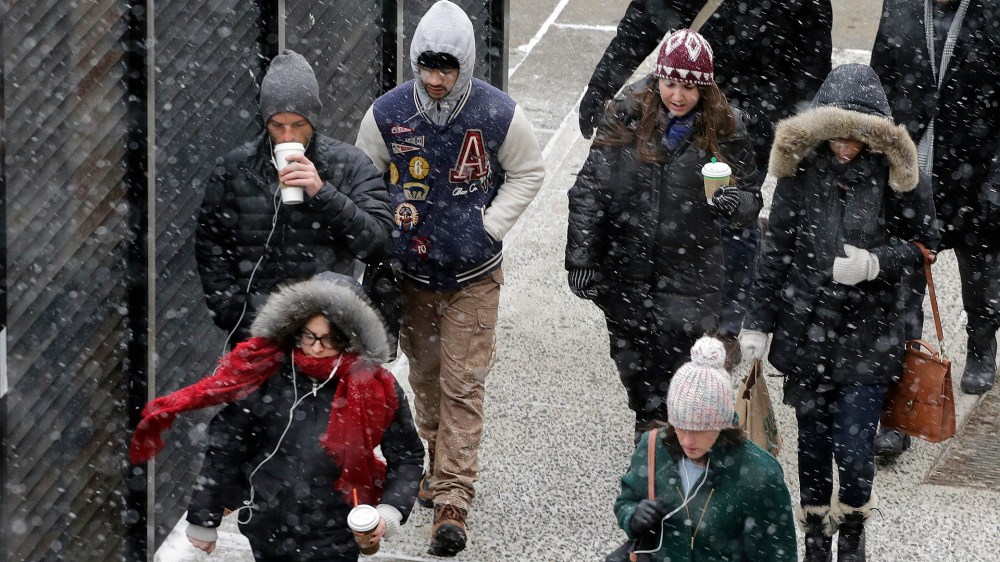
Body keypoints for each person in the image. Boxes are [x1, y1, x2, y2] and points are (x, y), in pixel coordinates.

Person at [354, 1, 545, 556]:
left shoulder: (497, 114)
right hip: (410, 274)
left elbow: (529, 170)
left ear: (465, 65)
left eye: (447, 69)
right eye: (427, 69)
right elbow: (364, 177)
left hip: (474, 275)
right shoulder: (387, 114)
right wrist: (383, 231)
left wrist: (490, 226)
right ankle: (438, 466)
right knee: (427, 380)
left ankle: (453, 497)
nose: (436, 81)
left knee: (464, 382)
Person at [739, 64, 939, 562]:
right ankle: (814, 537)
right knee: (811, 446)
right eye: (836, 136)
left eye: (855, 138)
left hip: (872, 334)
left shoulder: (900, 179)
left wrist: (876, 263)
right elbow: (777, 250)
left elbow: (926, 243)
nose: (845, 147)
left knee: (853, 452)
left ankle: (850, 535)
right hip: (807, 332)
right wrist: (758, 319)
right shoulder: (800, 172)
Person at [578, 0, 833, 363]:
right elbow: (644, 20)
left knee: (732, 220)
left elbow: (812, 66)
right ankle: (670, 314)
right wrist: (602, 84)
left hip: (748, 126)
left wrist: (768, 127)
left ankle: (725, 327)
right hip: (683, 106)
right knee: (675, 215)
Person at [129, 273, 423, 561]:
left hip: (336, 525)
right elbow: (227, 446)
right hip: (268, 523)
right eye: (310, 336)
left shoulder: (376, 387)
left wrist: (390, 510)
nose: (317, 347)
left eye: (329, 339)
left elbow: (407, 454)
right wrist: (204, 517)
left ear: (350, 338)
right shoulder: (268, 373)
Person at [566, 29, 759, 437]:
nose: (678, 95)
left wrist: (735, 205)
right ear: (658, 79)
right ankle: (649, 421)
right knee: (631, 358)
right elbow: (590, 188)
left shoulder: (726, 128)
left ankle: (670, 433)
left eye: (689, 87)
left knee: (677, 359)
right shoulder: (626, 113)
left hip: (691, 268)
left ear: (704, 88)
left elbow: (751, 199)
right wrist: (581, 258)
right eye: (670, 83)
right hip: (626, 265)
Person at [870, 0, 1000, 457]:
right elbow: (879, 78)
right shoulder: (901, 5)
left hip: (976, 166)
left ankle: (984, 340)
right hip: (911, 168)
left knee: (981, 266)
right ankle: (902, 404)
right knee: (904, 283)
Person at [196, 50, 394, 346]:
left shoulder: (349, 165)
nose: (288, 136)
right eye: (278, 125)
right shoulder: (235, 169)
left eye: (298, 125)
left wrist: (323, 193)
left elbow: (379, 244)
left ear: (313, 120)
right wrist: (231, 310)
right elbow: (210, 242)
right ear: (265, 121)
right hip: (256, 334)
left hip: (322, 335)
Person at [614, 336, 797, 561]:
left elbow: (777, 555)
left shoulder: (761, 474)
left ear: (722, 425)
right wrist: (633, 517)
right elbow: (625, 504)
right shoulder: (652, 448)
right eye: (681, 428)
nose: (688, 441)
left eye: (701, 430)